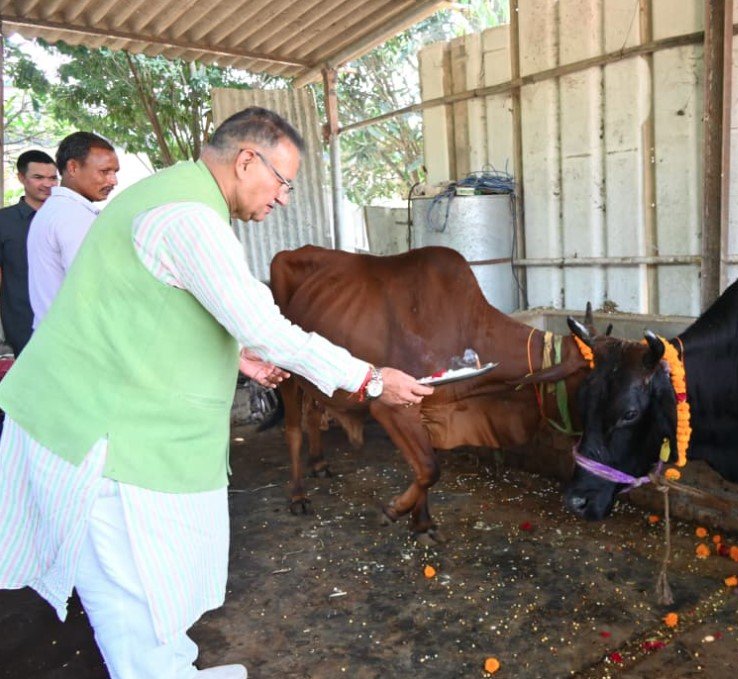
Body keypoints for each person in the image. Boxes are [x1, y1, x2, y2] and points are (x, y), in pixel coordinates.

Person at [0, 107, 433, 679]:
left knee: (142, 598)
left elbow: (149, 306)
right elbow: (268, 327)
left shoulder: (166, 193)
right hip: (100, 435)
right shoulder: (189, 218)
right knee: (134, 604)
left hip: (87, 417)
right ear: (247, 160)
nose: (283, 198)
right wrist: (372, 379)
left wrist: (238, 356)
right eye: (282, 182)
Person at [26, 131, 120, 327]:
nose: (113, 181)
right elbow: (93, 287)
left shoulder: (57, 209)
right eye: (105, 172)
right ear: (73, 167)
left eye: (115, 172)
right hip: (73, 335)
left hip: (55, 332)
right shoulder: (72, 216)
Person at [0, 150, 59, 355]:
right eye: (38, 177)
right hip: (21, 325)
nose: (47, 184)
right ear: (21, 178)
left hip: (63, 320)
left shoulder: (64, 219)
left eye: (53, 178)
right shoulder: (4, 221)